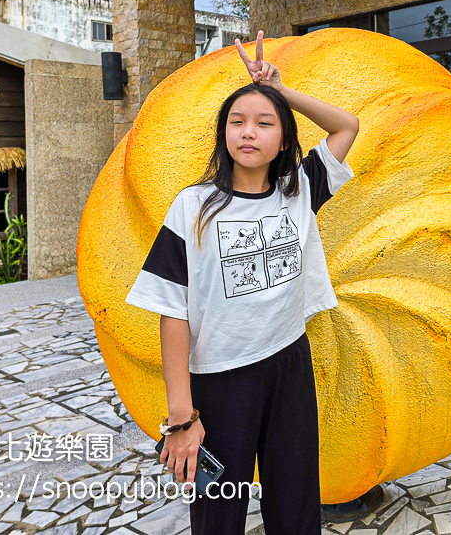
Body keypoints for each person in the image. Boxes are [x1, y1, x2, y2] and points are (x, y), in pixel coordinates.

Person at [124, 31, 360, 535]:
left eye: (264, 122)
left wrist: (277, 88)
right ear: (223, 135)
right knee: (218, 510)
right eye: (237, 122)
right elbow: (173, 311)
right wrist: (182, 419)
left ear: (283, 138)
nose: (248, 132)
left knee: (296, 500)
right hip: (219, 379)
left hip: (288, 362)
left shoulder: (299, 191)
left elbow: (347, 125)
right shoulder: (194, 206)